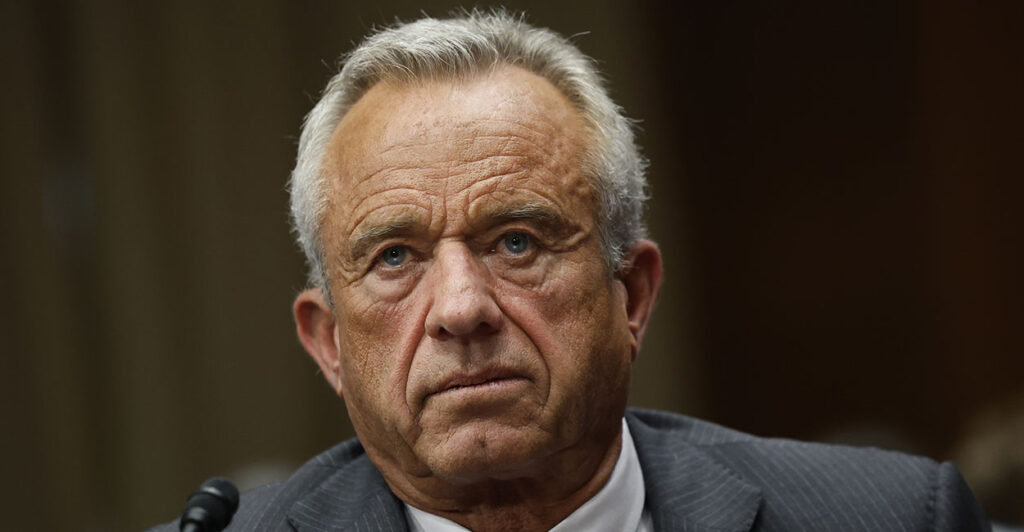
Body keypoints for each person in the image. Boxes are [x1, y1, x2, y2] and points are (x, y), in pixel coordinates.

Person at [151, 10, 990, 532]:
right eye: (395, 257)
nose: (462, 308)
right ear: (329, 342)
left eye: (517, 242)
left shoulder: (894, 517)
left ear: (632, 294)